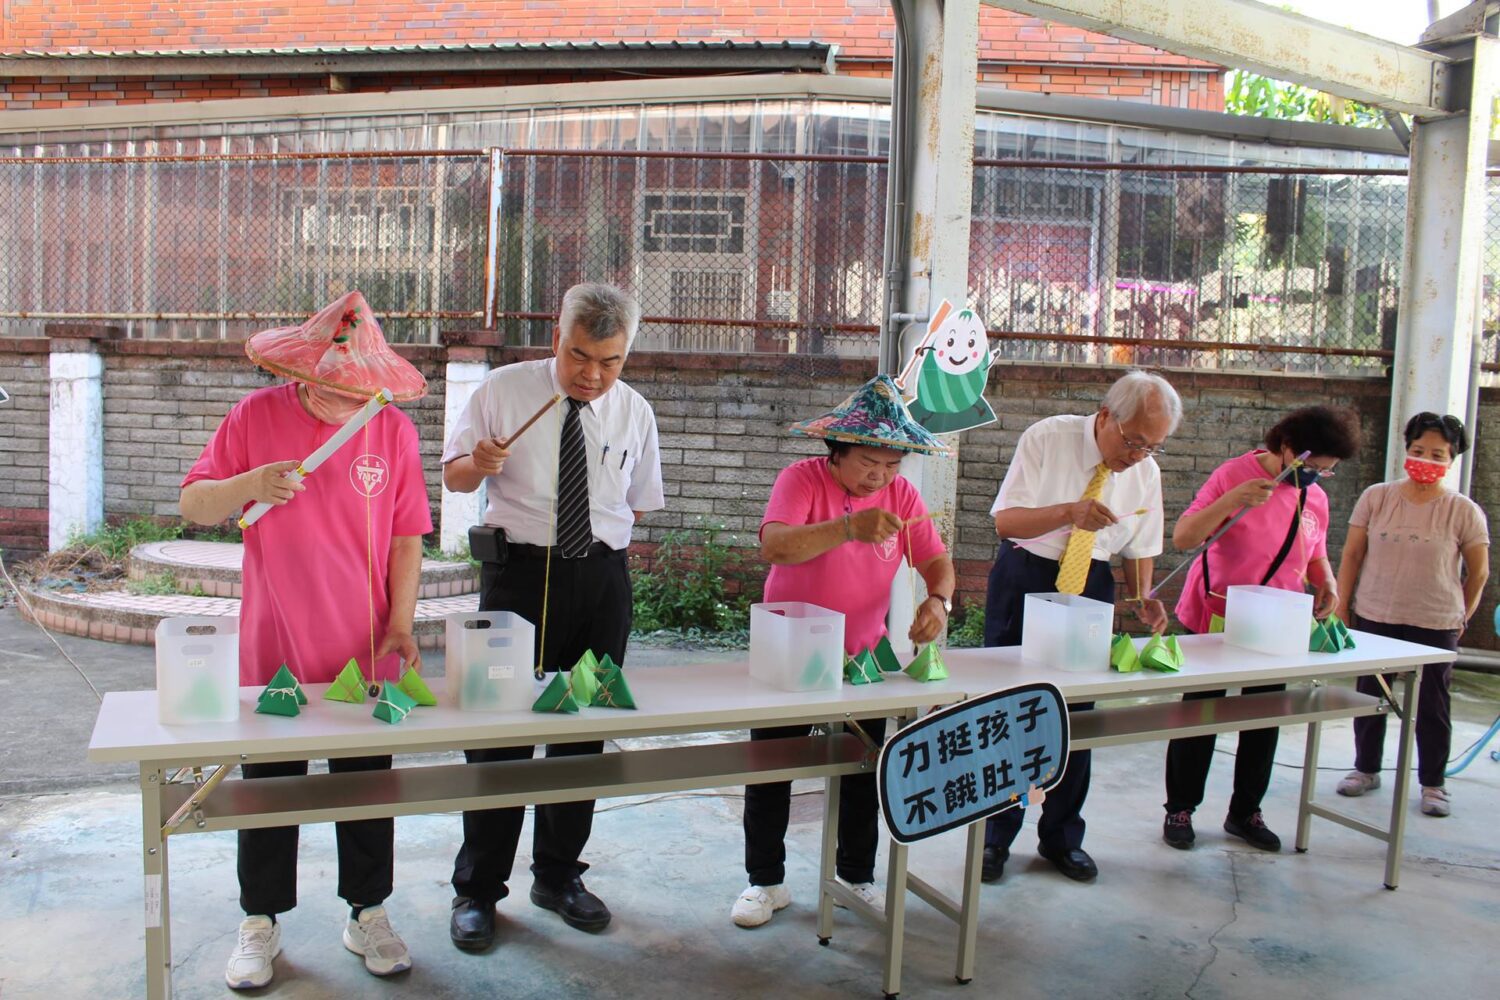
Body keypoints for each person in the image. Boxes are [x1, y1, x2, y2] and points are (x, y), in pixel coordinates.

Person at [180, 291, 432, 990]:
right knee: (269, 790)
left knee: (367, 786)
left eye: (354, 385)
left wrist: (401, 625)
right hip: (275, 643)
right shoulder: (254, 416)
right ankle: (260, 921)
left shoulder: (392, 432)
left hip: (364, 646)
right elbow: (193, 503)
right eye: (328, 381)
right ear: (303, 368)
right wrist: (249, 483)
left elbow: (407, 539)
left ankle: (367, 911)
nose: (340, 396)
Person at [442, 282, 664, 950]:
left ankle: (559, 875)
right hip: (518, 578)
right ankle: (478, 888)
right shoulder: (503, 391)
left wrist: (591, 554)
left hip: (600, 582)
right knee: (500, 733)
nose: (592, 375)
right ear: (556, 337)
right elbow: (454, 477)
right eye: (579, 356)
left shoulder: (634, 411)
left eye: (610, 361)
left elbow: (637, 502)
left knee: (582, 728)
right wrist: (477, 463)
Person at [731, 374, 955, 927]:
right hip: (790, 652)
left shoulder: (902, 495)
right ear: (836, 450)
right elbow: (775, 546)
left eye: (892, 464)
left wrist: (938, 601)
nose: (880, 475)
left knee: (863, 770)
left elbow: (934, 559)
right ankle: (765, 881)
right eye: (868, 462)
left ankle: (856, 876)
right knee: (772, 768)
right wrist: (849, 527)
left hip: (861, 658)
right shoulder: (801, 480)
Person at [981, 370, 1179, 885]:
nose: (1139, 455)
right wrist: (1070, 512)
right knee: (1009, 710)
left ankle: (1062, 838)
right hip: (1027, 572)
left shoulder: (1146, 470)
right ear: (1107, 416)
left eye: (1153, 447)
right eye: (1134, 441)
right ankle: (995, 837)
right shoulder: (1049, 437)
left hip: (1091, 581)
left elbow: (1140, 545)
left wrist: (1142, 596)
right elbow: (1006, 522)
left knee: (1076, 716)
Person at [1162, 405, 1360, 852]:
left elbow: (1312, 548)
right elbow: (1184, 536)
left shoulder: (1314, 497)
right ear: (1288, 447)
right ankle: (1180, 807)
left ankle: (1246, 811)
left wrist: (1326, 580)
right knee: (1201, 714)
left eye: (1325, 471)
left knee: (1264, 718)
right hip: (1217, 615)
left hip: (1275, 625)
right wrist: (1234, 500)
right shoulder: (1234, 475)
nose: (1315, 477)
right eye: (1311, 466)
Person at [1335, 412, 1489, 817]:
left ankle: (1433, 783)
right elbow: (1352, 555)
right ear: (1407, 450)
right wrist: (1341, 605)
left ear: (1451, 460)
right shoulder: (1377, 497)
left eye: (1437, 454)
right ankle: (1366, 768)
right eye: (1419, 450)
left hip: (1436, 620)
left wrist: (1463, 614)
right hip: (1377, 613)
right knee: (1370, 696)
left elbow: (1479, 571)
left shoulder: (1463, 510)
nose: (1426, 460)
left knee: (1433, 705)